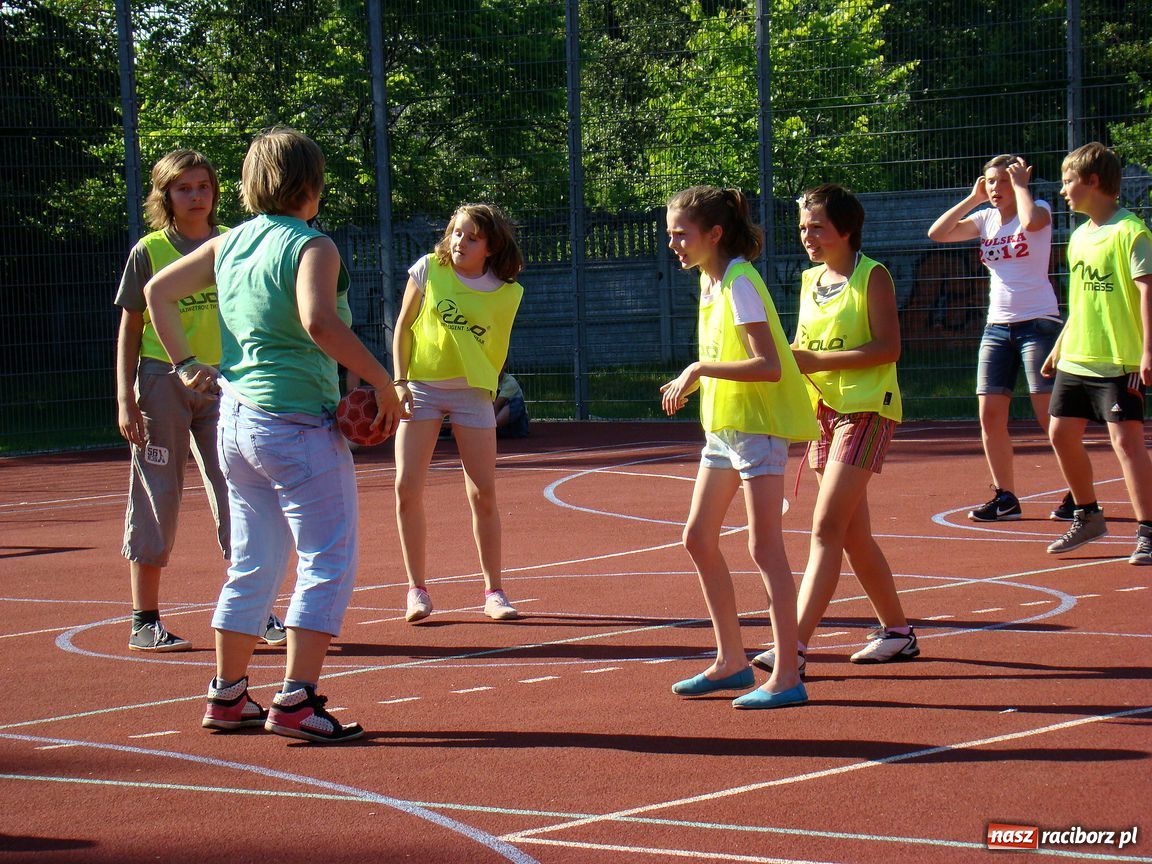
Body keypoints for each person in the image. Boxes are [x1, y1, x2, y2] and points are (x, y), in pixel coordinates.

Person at [146, 127, 404, 742]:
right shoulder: (312, 246)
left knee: (255, 559)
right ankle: (297, 700)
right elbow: (319, 322)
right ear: (311, 185)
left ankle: (229, 695)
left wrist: (183, 363)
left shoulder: (230, 241)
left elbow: (158, 292)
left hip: (235, 418)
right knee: (327, 557)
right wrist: (382, 380)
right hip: (295, 420)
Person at [114, 149, 285, 653]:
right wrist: (125, 396)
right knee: (156, 495)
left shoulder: (232, 244)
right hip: (162, 381)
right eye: (184, 188)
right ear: (166, 194)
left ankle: (256, 609)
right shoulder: (149, 250)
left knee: (240, 492)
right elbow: (130, 326)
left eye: (203, 187)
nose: (195, 196)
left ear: (216, 192)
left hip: (223, 383)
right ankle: (144, 620)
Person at [661, 186, 818, 710]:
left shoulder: (740, 281)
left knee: (763, 546)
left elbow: (770, 365)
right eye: (670, 236)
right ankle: (731, 661)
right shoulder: (710, 283)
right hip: (725, 430)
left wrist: (698, 370)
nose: (674, 245)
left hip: (758, 426)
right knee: (698, 537)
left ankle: (788, 676)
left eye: (681, 235)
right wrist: (701, 379)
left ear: (714, 234)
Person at [753, 184, 917, 678]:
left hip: (867, 411)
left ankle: (794, 648)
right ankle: (898, 632)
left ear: (845, 229)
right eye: (803, 227)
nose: (808, 235)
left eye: (817, 226)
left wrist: (815, 359)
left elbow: (888, 348)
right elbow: (799, 349)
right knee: (853, 535)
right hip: (824, 413)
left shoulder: (873, 277)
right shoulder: (808, 281)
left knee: (825, 529)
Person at [392, 204, 525, 623]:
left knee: (482, 492)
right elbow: (402, 326)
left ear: (490, 246)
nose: (459, 242)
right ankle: (416, 590)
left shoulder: (506, 292)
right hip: (422, 389)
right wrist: (399, 382)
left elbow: (495, 350)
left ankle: (494, 592)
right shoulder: (429, 269)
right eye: (455, 233)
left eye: (471, 237)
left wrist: (488, 389)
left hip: (472, 395)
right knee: (405, 488)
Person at [928, 155, 1071, 522]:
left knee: (1048, 413)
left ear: (1019, 182)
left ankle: (1078, 492)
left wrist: (1021, 186)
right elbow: (938, 233)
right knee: (990, 414)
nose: (995, 188)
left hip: (1038, 323)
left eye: (1001, 182)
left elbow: (1030, 222)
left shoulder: (1037, 207)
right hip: (997, 327)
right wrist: (973, 198)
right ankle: (1005, 496)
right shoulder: (985, 217)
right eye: (990, 182)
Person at [1042, 142, 1152, 564]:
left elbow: (1147, 292)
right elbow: (1082, 302)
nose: (1064, 189)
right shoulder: (1080, 237)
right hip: (1078, 356)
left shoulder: (1131, 231)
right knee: (1060, 433)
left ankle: (1147, 530)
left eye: (1069, 181)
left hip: (1118, 359)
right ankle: (1089, 516)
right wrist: (1060, 344)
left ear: (1093, 181)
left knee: (1126, 442)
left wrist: (1147, 350)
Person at [494, 367, 530, 438]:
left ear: (505, 365)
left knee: (518, 403)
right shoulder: (486, 384)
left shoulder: (510, 382)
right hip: (500, 428)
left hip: (516, 427)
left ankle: (490, 428)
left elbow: (496, 406)